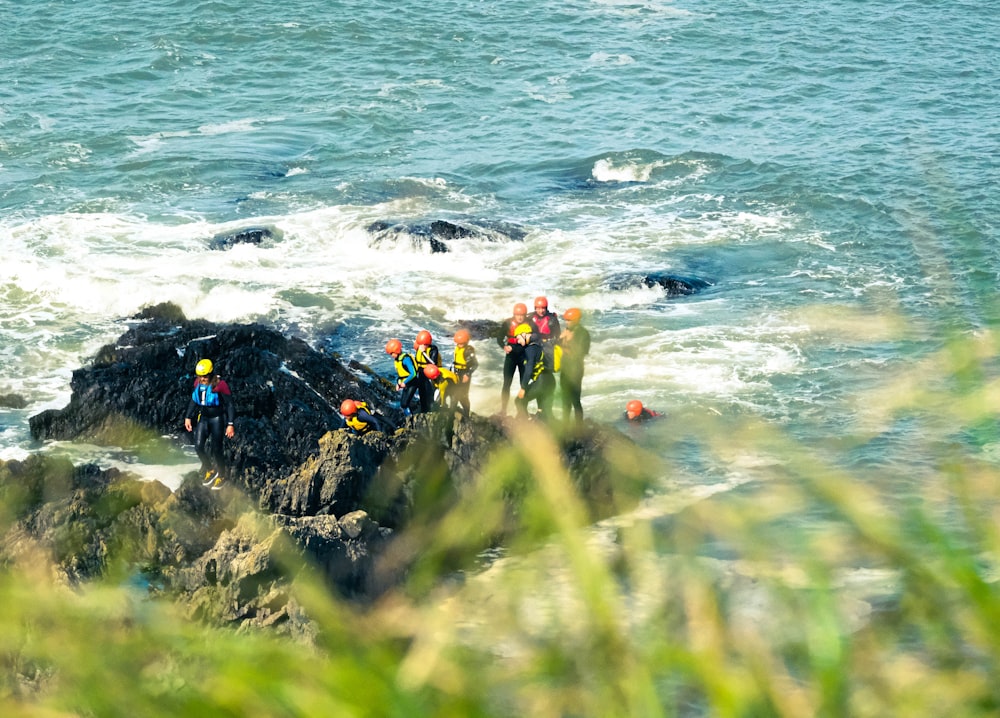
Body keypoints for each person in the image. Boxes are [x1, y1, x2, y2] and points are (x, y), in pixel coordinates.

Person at [184, 358, 235, 490]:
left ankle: (222, 475)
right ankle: (210, 469)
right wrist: (188, 417)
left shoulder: (220, 384)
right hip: (204, 418)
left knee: (216, 449)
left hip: (217, 419)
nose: (202, 379)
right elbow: (194, 400)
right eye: (200, 376)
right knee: (198, 446)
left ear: (211, 373)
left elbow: (229, 404)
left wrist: (230, 424)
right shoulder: (198, 383)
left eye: (205, 376)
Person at [513, 323, 556, 420]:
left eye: (518, 338)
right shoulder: (540, 343)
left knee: (519, 401)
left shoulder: (530, 349)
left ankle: (526, 424)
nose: (518, 341)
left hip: (542, 382)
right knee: (546, 412)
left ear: (524, 334)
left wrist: (523, 388)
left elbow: (529, 369)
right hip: (551, 381)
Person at [559, 307, 591, 423]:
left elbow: (581, 352)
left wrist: (565, 344)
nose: (567, 323)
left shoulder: (583, 334)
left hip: (575, 370)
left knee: (575, 399)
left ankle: (578, 426)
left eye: (569, 320)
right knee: (564, 399)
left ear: (577, 320)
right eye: (566, 320)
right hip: (565, 369)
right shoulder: (566, 331)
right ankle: (565, 424)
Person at [497, 302, 528, 415]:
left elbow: (536, 337)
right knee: (506, 383)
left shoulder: (529, 323)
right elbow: (500, 338)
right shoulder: (508, 323)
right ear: (514, 314)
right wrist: (504, 346)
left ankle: (522, 411)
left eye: (522, 315)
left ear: (525, 315)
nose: (520, 317)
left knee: (523, 384)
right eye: (517, 315)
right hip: (511, 356)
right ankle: (503, 409)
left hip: (523, 356)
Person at [386, 338, 420, 415]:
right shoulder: (397, 360)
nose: (391, 356)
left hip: (413, 383)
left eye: (392, 353)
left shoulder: (406, 359)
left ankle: (411, 418)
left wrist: (405, 382)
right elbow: (401, 375)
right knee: (402, 404)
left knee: (404, 404)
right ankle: (409, 415)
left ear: (397, 351)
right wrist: (398, 383)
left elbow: (413, 373)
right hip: (406, 384)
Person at [451, 328, 478, 417]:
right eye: (458, 343)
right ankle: (452, 412)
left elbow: (475, 364)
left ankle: (466, 414)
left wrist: (468, 374)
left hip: (464, 374)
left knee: (463, 396)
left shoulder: (468, 351)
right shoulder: (457, 348)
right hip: (456, 373)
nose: (460, 345)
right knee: (454, 393)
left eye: (461, 343)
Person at [413, 330, 441, 413]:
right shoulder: (419, 348)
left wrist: (424, 353)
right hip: (421, 373)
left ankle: (433, 411)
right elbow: (416, 361)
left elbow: (432, 363)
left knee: (430, 393)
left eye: (424, 344)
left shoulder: (433, 349)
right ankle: (424, 410)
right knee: (422, 393)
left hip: (430, 374)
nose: (422, 346)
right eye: (421, 344)